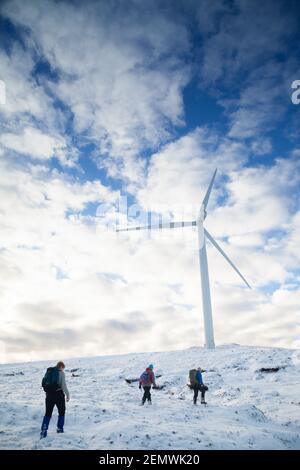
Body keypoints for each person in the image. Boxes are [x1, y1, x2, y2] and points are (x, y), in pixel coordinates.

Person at [40, 361, 70, 439]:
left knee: (48, 413)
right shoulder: (61, 373)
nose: (63, 370)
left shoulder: (49, 371)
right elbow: (64, 386)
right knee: (62, 412)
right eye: (63, 368)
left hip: (49, 395)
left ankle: (43, 431)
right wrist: (68, 395)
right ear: (61, 367)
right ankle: (60, 429)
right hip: (59, 395)